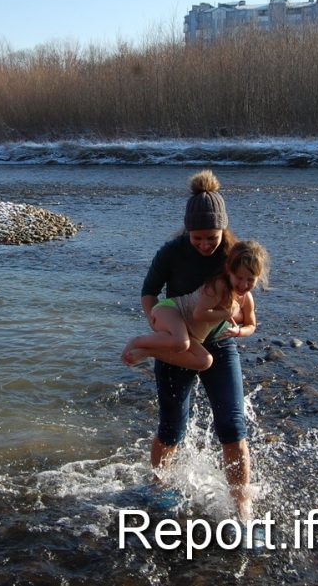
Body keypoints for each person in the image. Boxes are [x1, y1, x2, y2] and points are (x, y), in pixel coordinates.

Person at [138, 169, 261, 522]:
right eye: (198, 238)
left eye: (212, 237)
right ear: (187, 231)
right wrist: (157, 324)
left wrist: (242, 327)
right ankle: (159, 485)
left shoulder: (234, 254)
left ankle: (243, 508)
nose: (206, 245)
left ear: (224, 230)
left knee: (233, 426)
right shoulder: (171, 252)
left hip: (221, 345)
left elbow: (247, 291)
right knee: (172, 426)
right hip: (178, 346)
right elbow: (149, 292)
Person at [122, 240, 268, 372]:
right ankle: (137, 341)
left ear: (258, 276)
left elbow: (251, 325)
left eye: (250, 280)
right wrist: (226, 314)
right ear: (229, 270)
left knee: (205, 361)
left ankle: (148, 352)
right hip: (171, 309)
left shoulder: (246, 298)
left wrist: (239, 332)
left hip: (190, 332)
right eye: (239, 278)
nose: (244, 284)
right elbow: (199, 314)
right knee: (181, 343)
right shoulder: (218, 287)